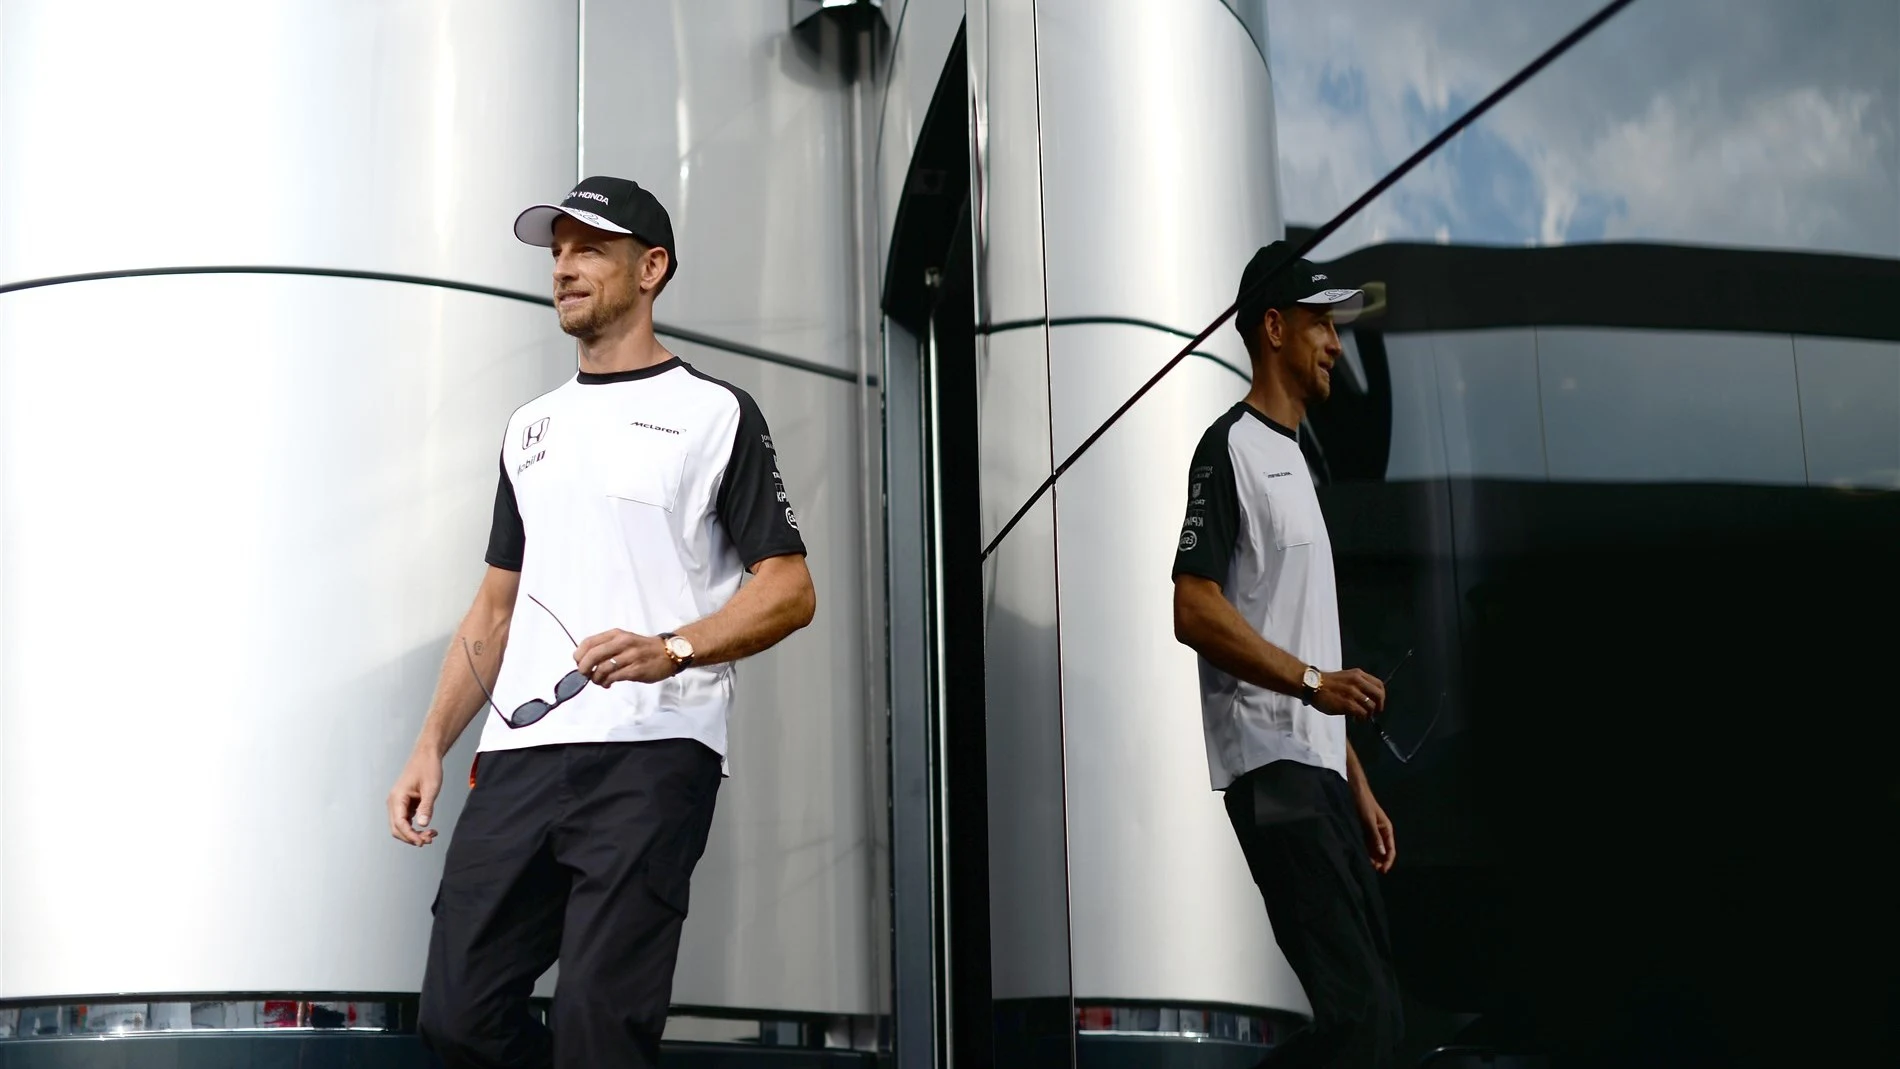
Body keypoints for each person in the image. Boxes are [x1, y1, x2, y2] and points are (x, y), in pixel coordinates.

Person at [383, 175, 817, 1069]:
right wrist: (432, 739)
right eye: (558, 253)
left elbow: (790, 587)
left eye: (590, 250)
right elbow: (495, 606)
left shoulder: (716, 413)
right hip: (516, 759)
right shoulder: (529, 428)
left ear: (651, 267)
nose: (566, 269)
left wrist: (674, 648)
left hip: (653, 752)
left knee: (596, 1026)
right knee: (457, 1015)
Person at [1171, 240, 1404, 1068]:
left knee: (1382, 1022)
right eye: (1321, 323)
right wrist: (1312, 683)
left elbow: (1307, 646)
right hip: (1274, 775)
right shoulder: (1228, 448)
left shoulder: (1299, 462)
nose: (1336, 342)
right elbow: (1193, 606)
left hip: (1321, 779)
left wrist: (1360, 782)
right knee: (1361, 1017)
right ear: (1274, 328)